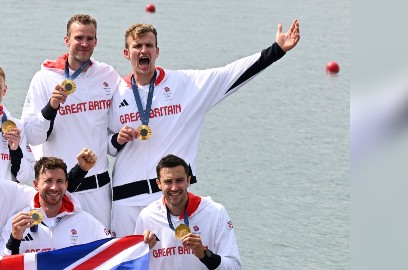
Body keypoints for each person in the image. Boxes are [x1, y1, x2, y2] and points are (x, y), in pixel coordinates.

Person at [108, 20, 301, 237]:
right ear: (127, 53)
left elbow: (229, 74)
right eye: (137, 46)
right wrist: (117, 139)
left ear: (157, 51)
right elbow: (107, 146)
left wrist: (276, 51)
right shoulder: (115, 92)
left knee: (167, 266)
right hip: (126, 198)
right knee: (125, 267)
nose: (143, 50)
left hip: (168, 196)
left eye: (149, 45)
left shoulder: (185, 84)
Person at [21, 14, 121, 228]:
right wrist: (51, 107)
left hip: (98, 188)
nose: (84, 44)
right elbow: (31, 135)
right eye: (78, 38)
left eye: (90, 38)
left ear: (96, 41)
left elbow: (118, 124)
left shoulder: (107, 75)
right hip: (59, 190)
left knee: (100, 254)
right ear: (67, 40)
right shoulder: (45, 77)